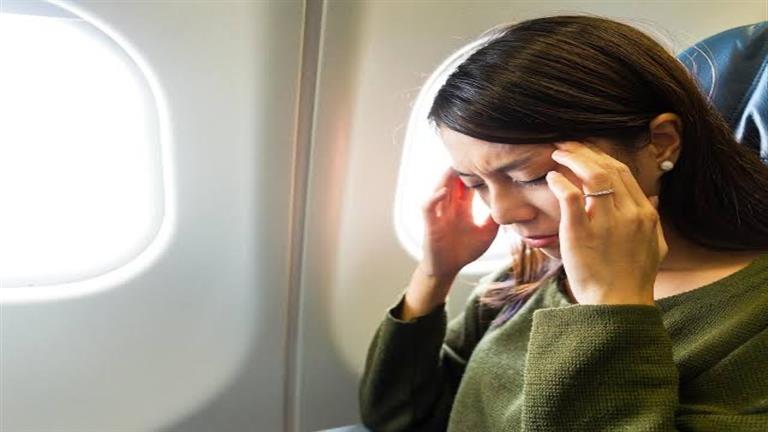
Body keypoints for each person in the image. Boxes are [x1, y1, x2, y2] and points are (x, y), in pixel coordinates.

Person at [359, 15, 768, 431]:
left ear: (661, 143)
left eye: (532, 177)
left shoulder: (753, 319)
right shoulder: (533, 269)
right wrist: (435, 274)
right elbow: (399, 418)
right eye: (475, 183)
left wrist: (611, 307)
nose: (502, 213)